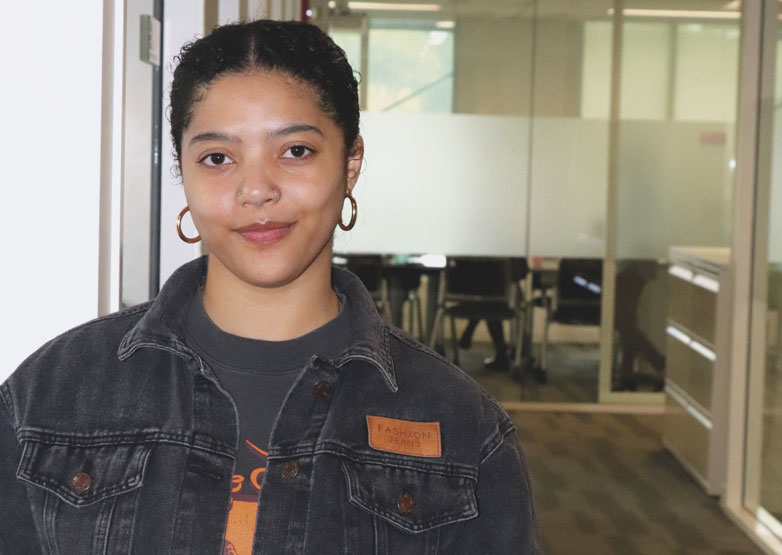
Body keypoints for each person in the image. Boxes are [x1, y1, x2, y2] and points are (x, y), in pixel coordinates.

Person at [0, 20, 540, 554]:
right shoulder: (48, 398)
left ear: (350, 163)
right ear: (183, 172)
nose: (255, 189)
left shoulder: (461, 426)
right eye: (217, 157)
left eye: (295, 151)